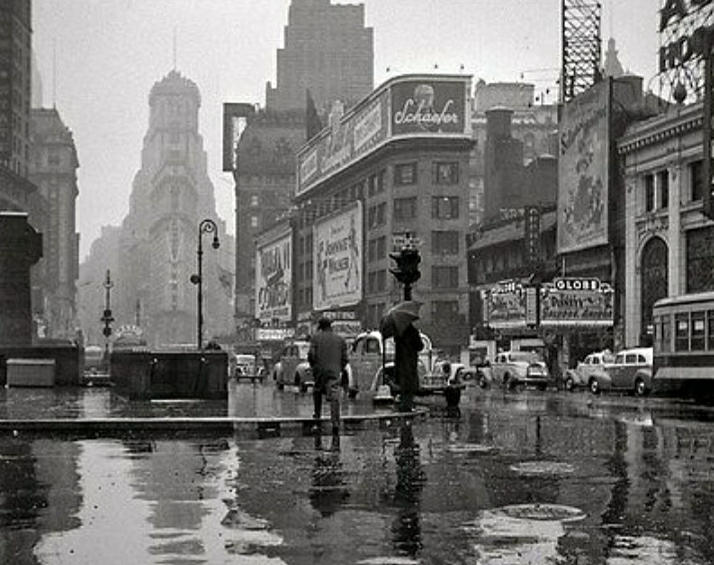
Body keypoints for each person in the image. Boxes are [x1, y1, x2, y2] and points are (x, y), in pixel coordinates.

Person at [308, 317, 348, 436]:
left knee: (317, 392)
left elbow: (311, 355)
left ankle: (317, 417)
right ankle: (335, 423)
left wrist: (314, 365)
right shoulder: (340, 340)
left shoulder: (315, 338)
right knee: (334, 397)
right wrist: (339, 368)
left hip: (320, 371)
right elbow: (345, 359)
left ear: (320, 326)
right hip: (334, 372)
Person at [393, 320, 424, 413]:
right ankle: (407, 406)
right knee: (409, 386)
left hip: (401, 363)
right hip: (410, 362)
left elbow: (397, 348)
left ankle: (404, 405)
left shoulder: (398, 333)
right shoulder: (413, 332)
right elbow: (420, 346)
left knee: (403, 387)